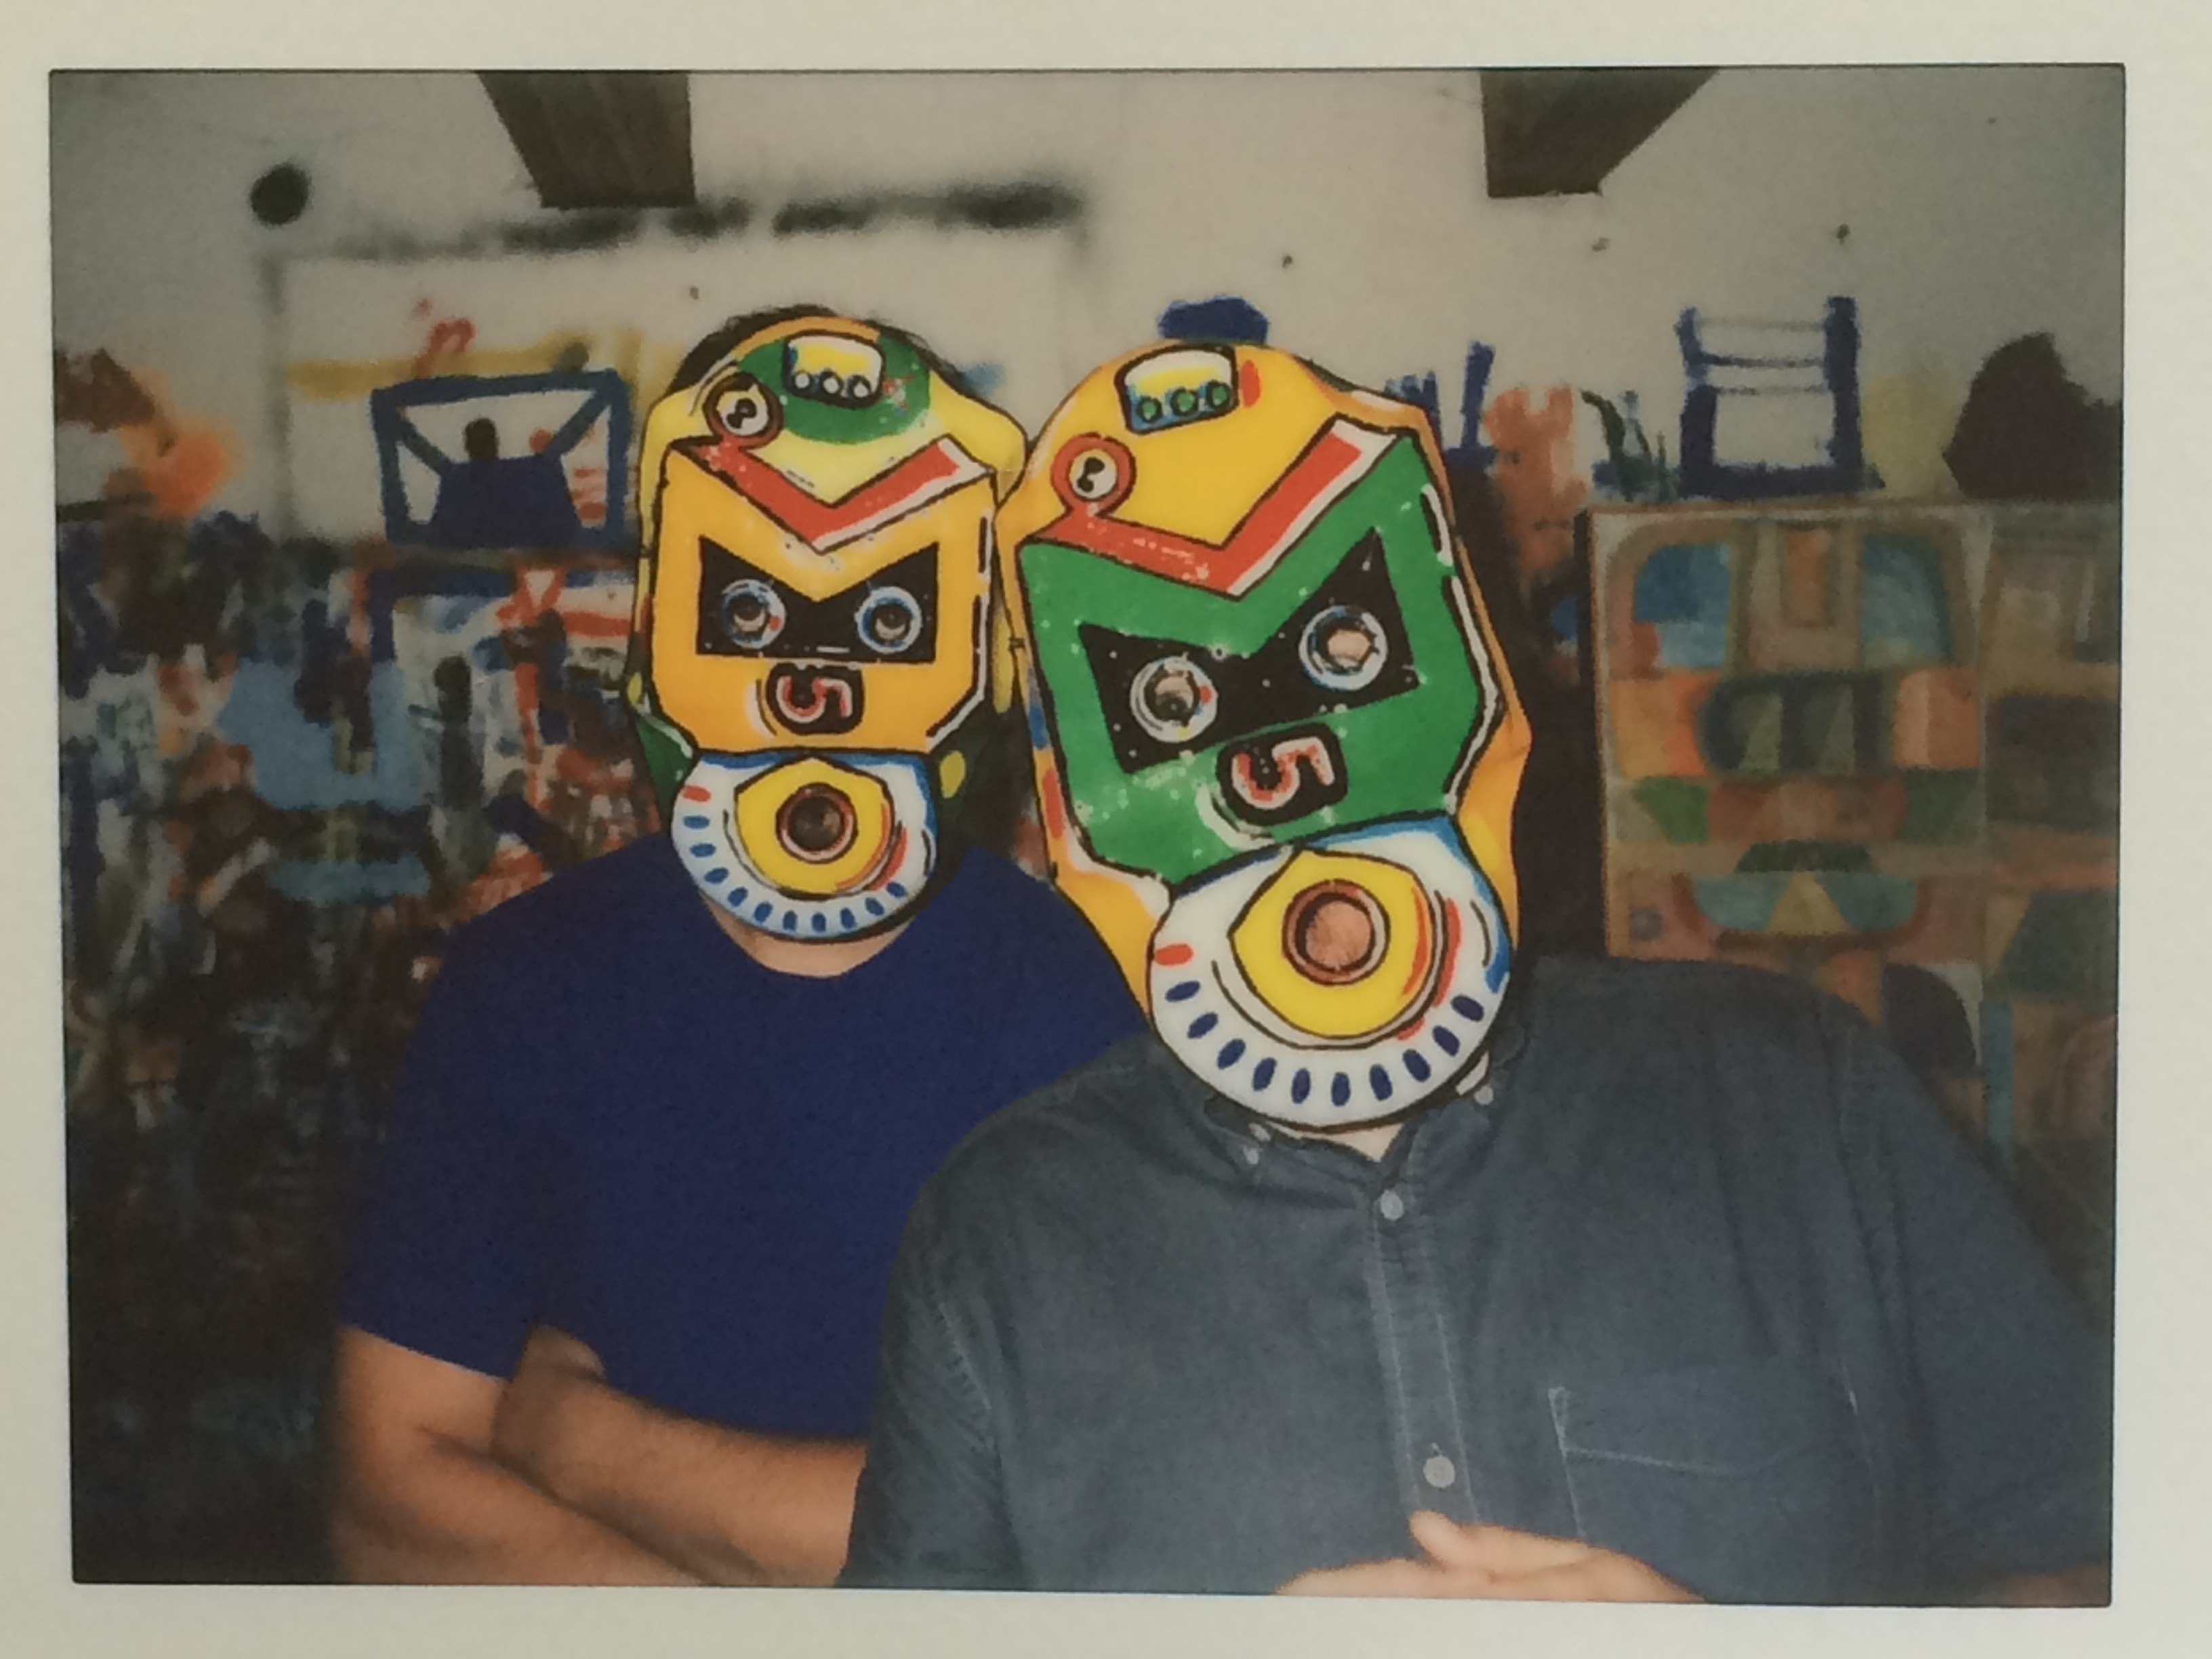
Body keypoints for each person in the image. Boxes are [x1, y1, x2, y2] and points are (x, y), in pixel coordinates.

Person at [839, 341, 2110, 1602]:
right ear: (1065, 802)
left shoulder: (1804, 1101)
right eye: (1170, 701)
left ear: (1488, 680)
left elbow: (2089, 1572)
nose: (1283, 768)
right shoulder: (1000, 1237)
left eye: (1343, 652)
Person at [327, 310, 1140, 1586]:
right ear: (661, 613)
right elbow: (388, 1505)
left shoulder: (1073, 1006)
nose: (813, 671)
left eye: (885, 610)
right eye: (750, 598)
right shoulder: (524, 986)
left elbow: (1055, 1528)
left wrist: (583, 1443)